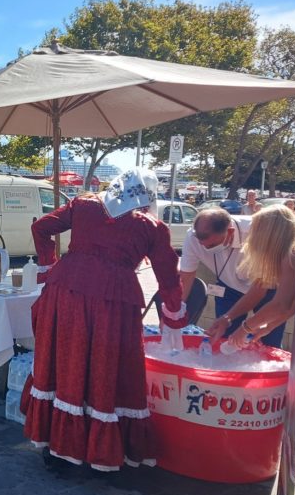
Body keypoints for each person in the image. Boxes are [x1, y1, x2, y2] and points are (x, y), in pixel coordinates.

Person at [21, 168, 188, 471]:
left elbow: (41, 228)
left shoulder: (83, 205)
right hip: (114, 302)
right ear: (149, 193)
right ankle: (95, 448)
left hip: (65, 291)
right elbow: (167, 277)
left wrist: (49, 267)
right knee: (105, 367)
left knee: (64, 360)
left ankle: (55, 440)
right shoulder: (152, 226)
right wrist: (174, 318)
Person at [182, 208, 285, 347]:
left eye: (212, 245)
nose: (206, 248)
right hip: (229, 287)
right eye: (202, 244)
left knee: (267, 341)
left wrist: (231, 319)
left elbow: (259, 291)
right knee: (224, 338)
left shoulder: (256, 232)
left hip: (267, 290)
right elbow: (186, 276)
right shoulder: (192, 238)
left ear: (230, 231)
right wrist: (175, 310)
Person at [208, 205, 295, 348]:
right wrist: (267, 327)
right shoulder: (288, 255)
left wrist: (245, 328)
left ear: (268, 235)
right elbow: (292, 304)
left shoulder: (293, 255)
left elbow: (280, 305)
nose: (251, 237)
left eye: (255, 230)